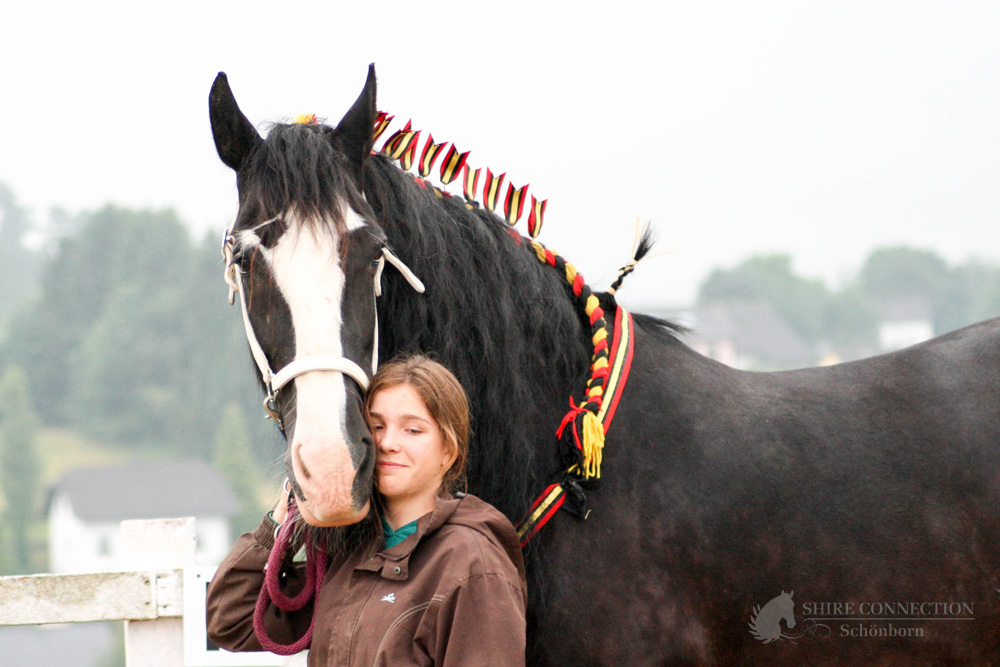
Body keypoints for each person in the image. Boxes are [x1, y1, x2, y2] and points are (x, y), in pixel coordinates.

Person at [206, 355, 527, 666]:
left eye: (412, 430)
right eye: (376, 426)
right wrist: (285, 520)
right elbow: (231, 618)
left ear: (448, 452)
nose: (388, 442)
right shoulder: (351, 557)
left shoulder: (473, 564)